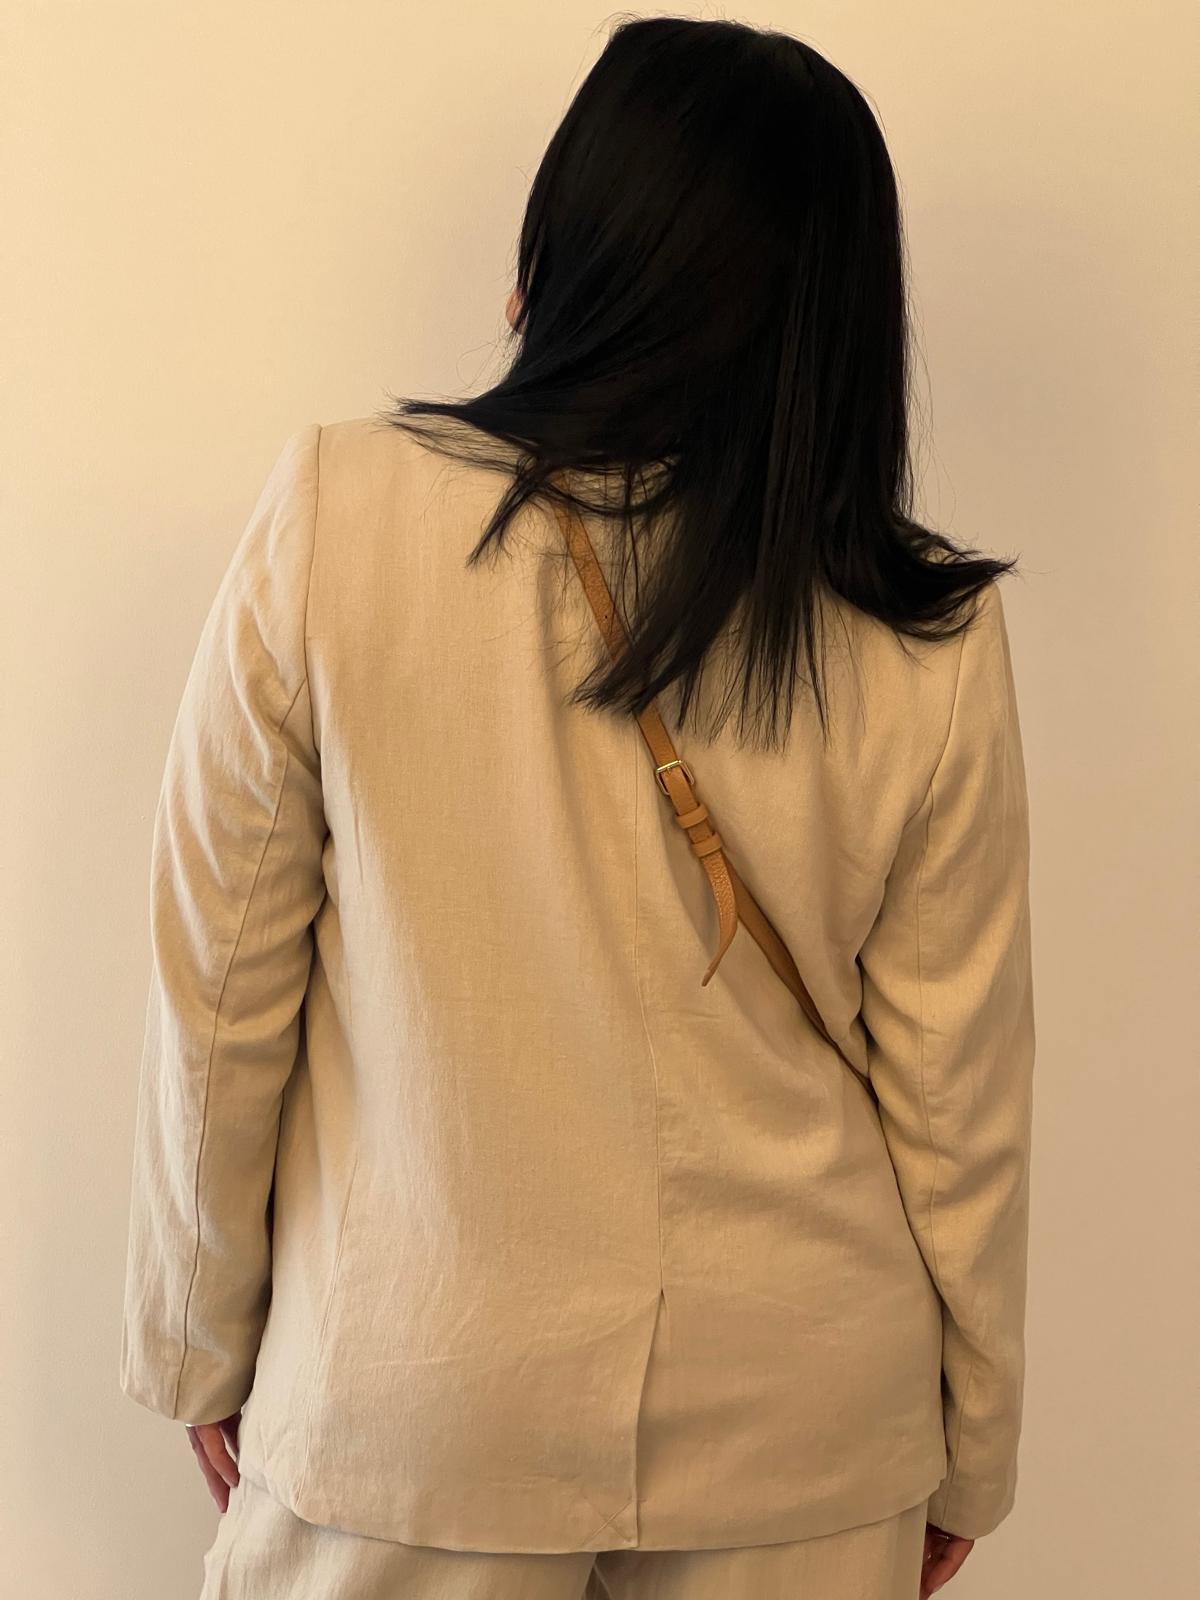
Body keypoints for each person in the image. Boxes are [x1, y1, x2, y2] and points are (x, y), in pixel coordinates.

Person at [119, 16, 1035, 1600]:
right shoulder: (920, 630)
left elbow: (221, 988)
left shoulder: (343, 515)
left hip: (423, 1405)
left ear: (564, 249)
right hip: (807, 1431)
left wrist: (198, 1337)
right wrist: (972, 1445)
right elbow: (962, 1105)